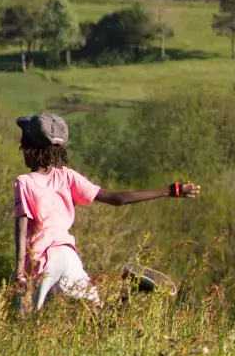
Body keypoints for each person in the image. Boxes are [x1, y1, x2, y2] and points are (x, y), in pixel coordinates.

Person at [12, 112, 199, 310]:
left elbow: (21, 229)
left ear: (28, 148)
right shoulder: (67, 177)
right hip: (67, 256)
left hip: (42, 262)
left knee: (25, 320)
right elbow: (117, 199)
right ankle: (131, 289)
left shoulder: (24, 182)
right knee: (96, 316)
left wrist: (19, 272)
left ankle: (131, 290)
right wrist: (168, 190)